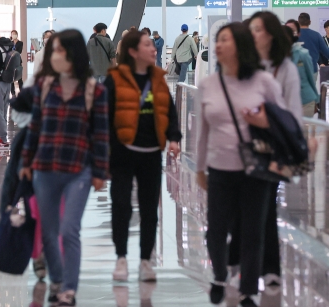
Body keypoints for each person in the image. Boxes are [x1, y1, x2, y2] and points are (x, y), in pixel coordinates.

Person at [195, 22, 286, 307]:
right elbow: (202, 131)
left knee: (252, 230)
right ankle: (220, 275)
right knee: (216, 229)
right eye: (217, 40)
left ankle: (249, 290)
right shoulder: (209, 85)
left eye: (225, 40)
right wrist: (199, 167)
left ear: (241, 45)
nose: (218, 45)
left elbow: (283, 124)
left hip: (256, 169)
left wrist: (263, 121)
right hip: (220, 169)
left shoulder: (264, 82)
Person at [20, 30, 109, 307]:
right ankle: (57, 281)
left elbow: (101, 134)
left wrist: (100, 171)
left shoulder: (95, 90)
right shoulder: (44, 86)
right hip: (45, 168)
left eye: (58, 50)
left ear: (72, 54)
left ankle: (69, 289)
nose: (54, 55)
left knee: (69, 229)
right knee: (48, 231)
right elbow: (34, 127)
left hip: (78, 169)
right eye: (53, 50)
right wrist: (26, 161)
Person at [105, 30, 181, 282]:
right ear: (133, 52)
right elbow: (103, 118)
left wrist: (174, 138)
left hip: (151, 154)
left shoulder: (158, 79)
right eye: (148, 45)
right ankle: (121, 258)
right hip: (122, 154)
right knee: (121, 207)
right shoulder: (114, 80)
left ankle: (146, 261)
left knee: (150, 210)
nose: (154, 49)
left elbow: (168, 109)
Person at [239, 11, 304, 288]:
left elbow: (293, 112)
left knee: (263, 209)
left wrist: (292, 147)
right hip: (241, 146)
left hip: (271, 147)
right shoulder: (244, 66)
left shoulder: (285, 68)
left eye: (258, 30)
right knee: (250, 210)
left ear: (270, 35)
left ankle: (266, 269)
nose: (252, 35)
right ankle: (248, 265)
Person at [284, 22, 318, 117]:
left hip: (305, 100)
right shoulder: (276, 56)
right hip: (287, 102)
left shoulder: (302, 53)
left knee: (303, 130)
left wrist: (316, 99)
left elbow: (310, 78)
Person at [298, 12, 329, 78]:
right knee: (311, 88)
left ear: (298, 22)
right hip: (312, 69)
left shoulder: (294, 36)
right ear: (310, 22)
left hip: (298, 70)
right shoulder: (316, 35)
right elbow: (327, 53)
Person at [10, 30, 24, 97]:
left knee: (19, 78)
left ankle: (21, 92)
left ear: (17, 34)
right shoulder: (10, 43)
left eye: (15, 34)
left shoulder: (20, 43)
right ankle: (13, 93)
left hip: (18, 60)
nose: (13, 35)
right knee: (12, 78)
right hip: (11, 61)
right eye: (12, 34)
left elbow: (19, 51)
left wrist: (14, 51)